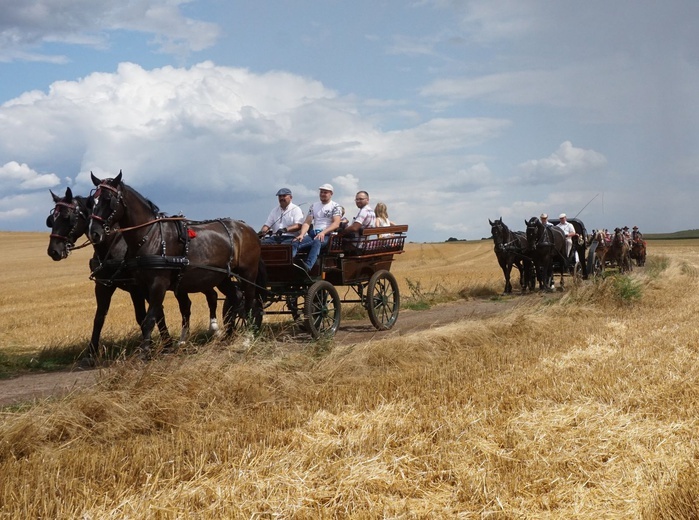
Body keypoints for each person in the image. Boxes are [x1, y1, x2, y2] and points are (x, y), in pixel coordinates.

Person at [291, 183, 342, 272]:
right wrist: (302, 234)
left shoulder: (335, 206)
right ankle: (290, 263)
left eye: (325, 192)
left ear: (331, 194)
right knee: (295, 242)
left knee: (317, 242)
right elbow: (307, 222)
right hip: (313, 233)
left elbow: (336, 223)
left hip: (327, 235)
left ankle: (307, 266)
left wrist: (323, 232)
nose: (322, 194)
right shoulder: (314, 206)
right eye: (321, 192)